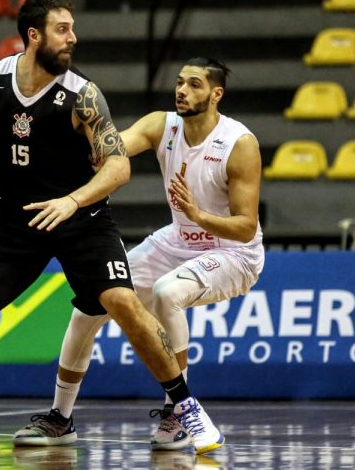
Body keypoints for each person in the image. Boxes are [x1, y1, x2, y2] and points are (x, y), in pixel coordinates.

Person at [0, 0, 223, 456]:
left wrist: (73, 200)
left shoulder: (83, 95)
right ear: (34, 35)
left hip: (82, 218)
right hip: (16, 219)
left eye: (72, 28)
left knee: (123, 302)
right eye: (62, 29)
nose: (73, 38)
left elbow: (118, 166)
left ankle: (187, 408)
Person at [14, 58, 264, 452]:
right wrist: (64, 131)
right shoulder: (162, 125)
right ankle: (60, 418)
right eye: (179, 83)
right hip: (177, 240)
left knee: (166, 292)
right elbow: (110, 148)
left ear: (216, 94)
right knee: (91, 304)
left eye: (194, 84)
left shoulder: (239, 143)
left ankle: (177, 413)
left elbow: (246, 227)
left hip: (233, 252)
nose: (182, 91)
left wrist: (198, 214)